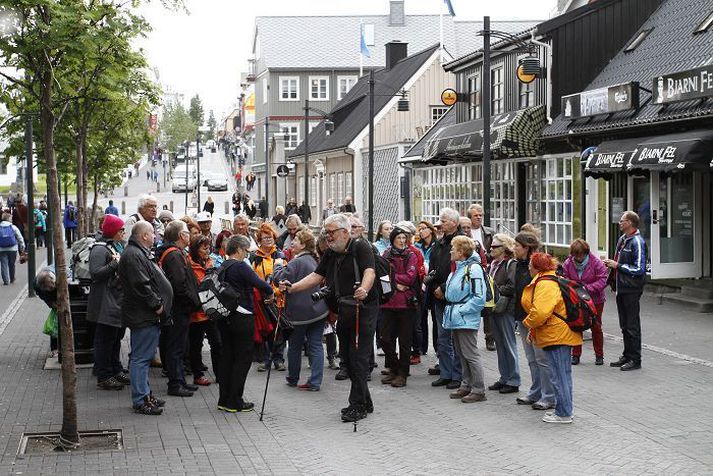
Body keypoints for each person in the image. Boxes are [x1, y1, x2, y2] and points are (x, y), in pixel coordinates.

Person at [280, 214, 378, 423]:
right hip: (343, 309)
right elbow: (317, 276)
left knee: (358, 358)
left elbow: (370, 271)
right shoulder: (331, 252)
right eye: (326, 232)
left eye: (331, 232)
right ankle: (366, 401)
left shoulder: (360, 247)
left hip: (363, 309)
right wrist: (293, 288)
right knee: (348, 358)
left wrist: (364, 288)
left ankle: (357, 406)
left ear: (345, 231)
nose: (327, 236)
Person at [119, 221, 173, 415]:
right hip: (144, 315)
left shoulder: (137, 252)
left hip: (145, 314)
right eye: (152, 234)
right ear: (144, 236)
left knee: (142, 357)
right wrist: (157, 305)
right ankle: (141, 399)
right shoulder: (134, 255)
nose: (155, 237)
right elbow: (141, 285)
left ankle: (145, 394)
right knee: (141, 358)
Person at [522, 252, 582, 424]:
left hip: (556, 335)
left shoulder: (545, 284)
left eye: (530, 264)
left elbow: (541, 311)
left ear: (536, 267)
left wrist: (528, 322)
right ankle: (564, 410)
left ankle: (563, 413)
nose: (528, 267)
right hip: (558, 333)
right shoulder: (549, 279)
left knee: (559, 375)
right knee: (562, 374)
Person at [217, 235, 274, 412]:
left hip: (224, 316)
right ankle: (235, 401)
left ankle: (223, 399)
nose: (248, 254)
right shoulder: (240, 266)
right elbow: (260, 284)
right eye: (247, 251)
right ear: (240, 249)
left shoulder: (223, 266)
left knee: (228, 357)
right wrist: (271, 291)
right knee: (243, 359)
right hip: (242, 316)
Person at [273, 229, 329, 391]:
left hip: (299, 313)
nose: (292, 242)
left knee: (295, 345)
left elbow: (279, 279)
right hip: (318, 310)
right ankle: (315, 381)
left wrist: (277, 266)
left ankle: (293, 378)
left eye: (296, 240)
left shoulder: (296, 262)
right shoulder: (314, 260)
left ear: (303, 244)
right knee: (316, 345)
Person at [156, 220, 202, 397]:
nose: (190, 236)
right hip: (178, 308)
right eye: (187, 233)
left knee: (180, 346)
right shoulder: (174, 255)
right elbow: (178, 284)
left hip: (180, 307)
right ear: (181, 236)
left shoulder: (176, 253)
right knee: (176, 347)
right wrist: (192, 301)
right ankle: (175, 384)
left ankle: (180, 380)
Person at [443, 236, 488, 403]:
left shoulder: (473, 269)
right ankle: (467, 384)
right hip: (457, 316)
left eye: (453, 248)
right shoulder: (460, 267)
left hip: (464, 317)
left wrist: (461, 310)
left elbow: (478, 297)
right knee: (462, 353)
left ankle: (478, 389)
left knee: (470, 353)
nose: (451, 251)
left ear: (461, 252)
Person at [513, 231, 555, 410]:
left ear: (526, 247)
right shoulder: (518, 265)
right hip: (523, 318)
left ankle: (549, 396)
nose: (513, 248)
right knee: (531, 359)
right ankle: (536, 391)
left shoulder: (536, 268)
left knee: (542, 359)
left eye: (517, 245)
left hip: (536, 320)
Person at [87, 214, 128, 390]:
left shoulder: (113, 246)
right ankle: (104, 375)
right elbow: (95, 273)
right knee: (104, 340)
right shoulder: (100, 249)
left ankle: (115, 369)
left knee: (115, 338)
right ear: (113, 231)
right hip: (104, 303)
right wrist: (115, 264)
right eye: (121, 230)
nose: (124, 232)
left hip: (113, 301)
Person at [603, 211, 646, 371]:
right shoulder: (622, 239)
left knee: (632, 325)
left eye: (622, 221)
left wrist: (617, 266)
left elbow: (639, 269)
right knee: (624, 325)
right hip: (620, 288)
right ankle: (627, 355)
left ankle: (636, 359)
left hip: (632, 289)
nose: (620, 223)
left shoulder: (637, 242)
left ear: (629, 223)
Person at [428, 208, 463, 390]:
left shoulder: (461, 243)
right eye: (440, 219)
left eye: (444, 220)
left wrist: (443, 288)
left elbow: (459, 270)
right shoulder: (439, 244)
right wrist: (434, 287)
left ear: (454, 223)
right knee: (442, 338)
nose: (440, 223)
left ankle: (457, 375)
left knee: (455, 338)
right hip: (438, 297)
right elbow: (433, 269)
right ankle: (446, 372)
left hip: (455, 297)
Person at [379, 226, 419, 388]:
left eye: (404, 238)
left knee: (404, 341)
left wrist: (393, 280)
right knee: (386, 339)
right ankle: (394, 368)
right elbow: (382, 275)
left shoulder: (411, 255)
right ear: (393, 239)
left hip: (406, 304)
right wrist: (397, 284)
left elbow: (410, 277)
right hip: (388, 302)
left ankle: (402, 373)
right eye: (399, 238)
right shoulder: (386, 254)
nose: (402, 241)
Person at [562, 238, 608, 365]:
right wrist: (575, 288)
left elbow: (603, 280)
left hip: (595, 299)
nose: (579, 258)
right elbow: (565, 279)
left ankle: (599, 355)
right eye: (576, 255)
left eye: (581, 255)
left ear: (586, 252)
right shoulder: (568, 263)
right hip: (576, 299)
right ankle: (575, 355)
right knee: (577, 325)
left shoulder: (596, 263)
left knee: (596, 326)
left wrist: (586, 289)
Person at [487, 233, 520, 394]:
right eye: (491, 246)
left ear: (504, 248)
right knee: (500, 344)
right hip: (494, 308)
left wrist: (495, 292)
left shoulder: (510, 264)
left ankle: (513, 380)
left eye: (495, 246)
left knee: (509, 344)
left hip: (506, 309)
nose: (491, 249)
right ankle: (504, 377)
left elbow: (512, 286)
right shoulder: (492, 264)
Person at [250, 223, 286, 372]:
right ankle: (266, 359)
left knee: (278, 330)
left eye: (270, 237)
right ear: (259, 240)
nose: (268, 240)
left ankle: (278, 359)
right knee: (265, 330)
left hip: (277, 299)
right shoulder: (255, 257)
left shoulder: (279, 255)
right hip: (261, 300)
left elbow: (284, 277)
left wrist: (275, 293)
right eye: (264, 238)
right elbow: (251, 278)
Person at [187, 234, 222, 386]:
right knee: (196, 344)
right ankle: (198, 374)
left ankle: (220, 374)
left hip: (211, 310)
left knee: (217, 342)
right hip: (196, 312)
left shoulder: (210, 262)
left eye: (208, 248)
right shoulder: (188, 264)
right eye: (204, 248)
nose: (207, 251)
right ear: (195, 249)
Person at [416, 220, 437, 357]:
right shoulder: (417, 246)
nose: (421, 231)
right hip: (422, 283)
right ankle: (422, 346)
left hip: (433, 281)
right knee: (421, 315)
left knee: (435, 317)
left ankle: (437, 347)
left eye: (424, 228)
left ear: (430, 230)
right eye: (420, 229)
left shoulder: (436, 245)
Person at [0, 212, 25, 285]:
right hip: (12, 248)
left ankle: (6, 281)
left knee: (3, 264)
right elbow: (19, 237)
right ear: (8, 219)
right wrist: (22, 246)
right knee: (12, 264)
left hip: (1, 249)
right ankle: (12, 278)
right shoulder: (13, 227)